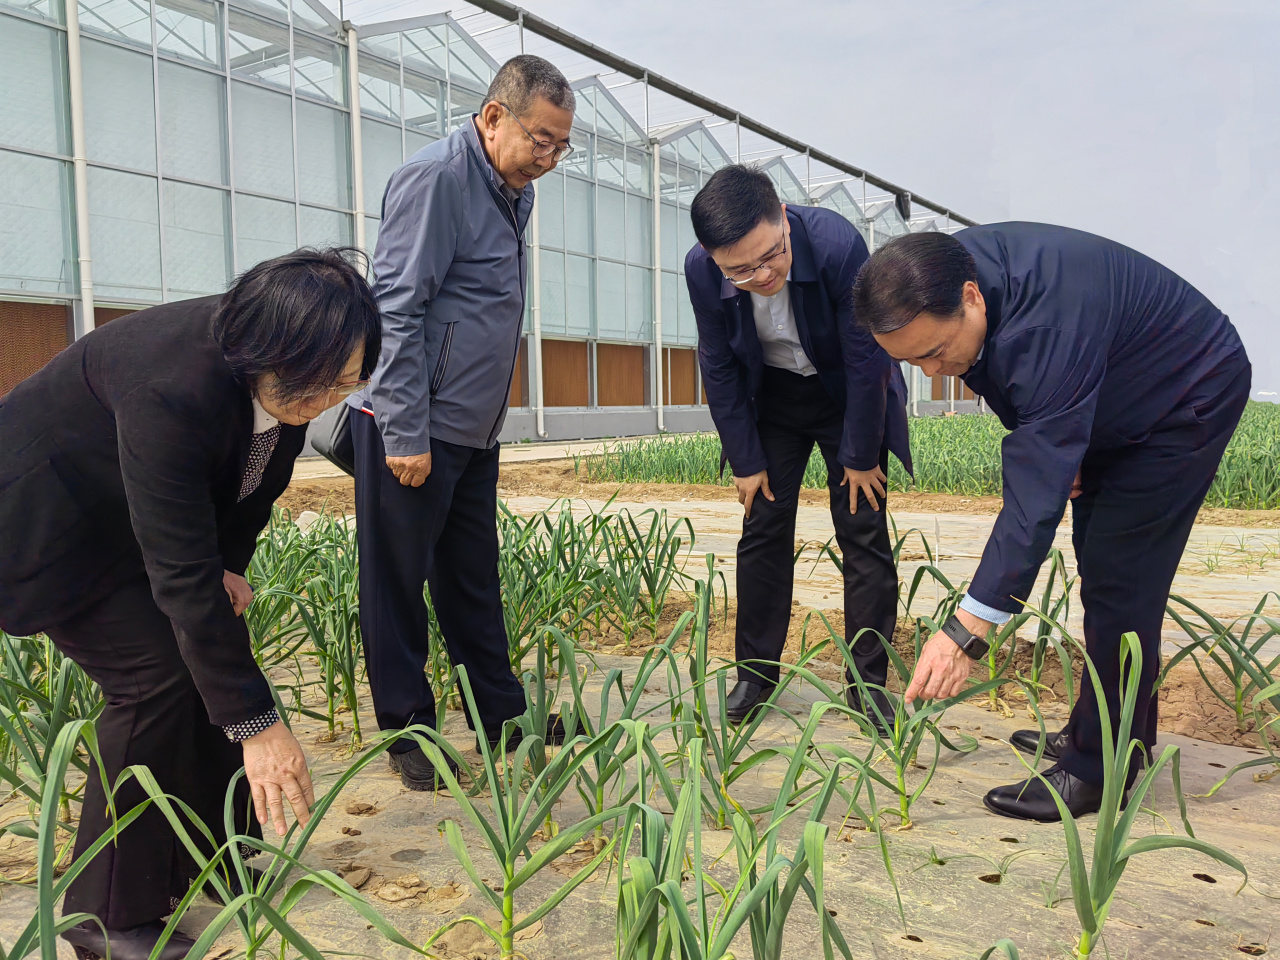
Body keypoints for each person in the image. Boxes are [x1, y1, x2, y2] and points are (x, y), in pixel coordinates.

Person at [0, 248, 381, 959]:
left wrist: (228, 565)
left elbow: (252, 483)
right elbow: (178, 573)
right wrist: (262, 727)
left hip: (130, 518)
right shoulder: (171, 385)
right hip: (49, 528)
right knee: (155, 678)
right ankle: (107, 917)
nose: (328, 398)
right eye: (318, 383)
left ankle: (211, 847)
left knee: (208, 652)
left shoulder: (286, 375)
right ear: (262, 350)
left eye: (347, 381)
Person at [852, 224, 1251, 821]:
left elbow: (1031, 504)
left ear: (971, 297)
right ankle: (1114, 734)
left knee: (1121, 577)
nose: (933, 371)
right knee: (1105, 567)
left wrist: (966, 631)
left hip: (1182, 394)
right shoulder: (935, 274)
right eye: (912, 362)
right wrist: (1065, 443)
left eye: (935, 351)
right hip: (1112, 385)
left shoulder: (1045, 322)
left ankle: (1098, 771)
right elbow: (1026, 396)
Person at [349, 55, 575, 790]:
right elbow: (396, 308)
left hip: (472, 428)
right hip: (415, 426)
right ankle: (407, 728)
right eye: (540, 139)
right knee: (397, 579)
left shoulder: (510, 189)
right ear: (492, 116)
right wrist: (404, 430)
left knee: (471, 578)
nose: (548, 158)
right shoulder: (437, 180)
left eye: (561, 146)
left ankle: (500, 717)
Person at [685, 165, 912, 729]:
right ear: (713, 259)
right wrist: (745, 458)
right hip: (774, 402)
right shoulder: (701, 271)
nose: (761, 275)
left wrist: (860, 454)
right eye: (740, 270)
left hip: (845, 395)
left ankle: (868, 682)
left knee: (862, 527)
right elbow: (716, 364)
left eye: (772, 256)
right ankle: (754, 676)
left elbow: (866, 359)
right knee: (761, 526)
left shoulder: (836, 245)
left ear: (783, 218)